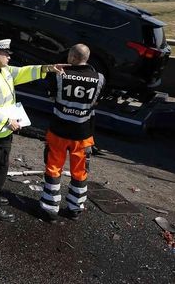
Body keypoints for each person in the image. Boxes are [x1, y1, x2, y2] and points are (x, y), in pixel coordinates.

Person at [0, 39, 65, 221]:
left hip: (4, 129)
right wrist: (7, 120)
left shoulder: (4, 71)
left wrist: (48, 68)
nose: (9, 57)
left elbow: (24, 72)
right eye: (6, 54)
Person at [39, 43, 105, 222]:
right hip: (83, 135)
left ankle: (50, 208)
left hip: (59, 131)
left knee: (53, 169)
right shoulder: (99, 78)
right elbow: (96, 102)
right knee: (80, 172)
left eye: (69, 55)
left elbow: (51, 96)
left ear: (73, 58)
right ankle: (75, 208)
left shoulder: (59, 75)